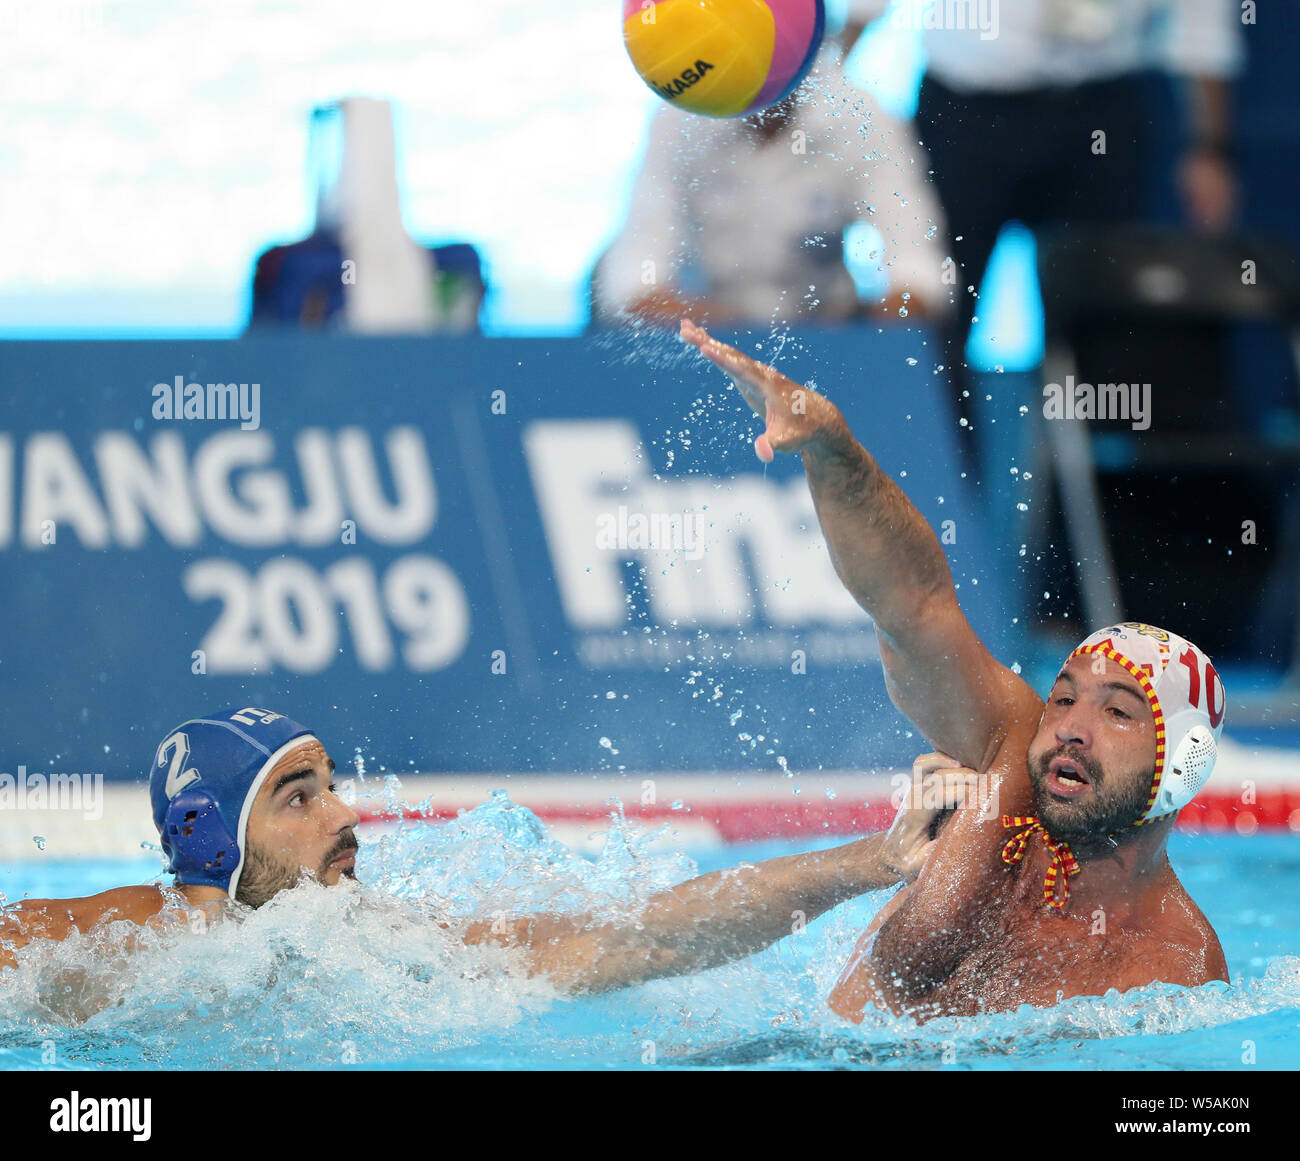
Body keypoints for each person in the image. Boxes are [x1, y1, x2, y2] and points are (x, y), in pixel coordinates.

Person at [680, 319, 1229, 1020]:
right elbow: (915, 606)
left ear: (1184, 762)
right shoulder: (1012, 756)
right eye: (1064, 699)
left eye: (1117, 710)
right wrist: (833, 451)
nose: (1069, 729)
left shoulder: (1177, 967)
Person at [0, 707, 966, 998]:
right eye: (301, 796)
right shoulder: (87, 946)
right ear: (213, 838)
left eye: (334, 781)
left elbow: (640, 941)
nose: (348, 813)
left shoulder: (376, 946)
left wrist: (871, 864)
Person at [592, 50, 949, 327]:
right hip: (705, 329)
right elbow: (633, 278)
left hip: (825, 328)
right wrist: (729, 331)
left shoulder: (860, 117)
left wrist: (875, 326)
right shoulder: (678, 120)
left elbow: (918, 267)